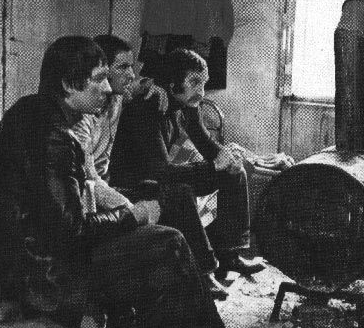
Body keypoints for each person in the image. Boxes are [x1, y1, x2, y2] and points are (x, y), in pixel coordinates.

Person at [0, 36, 276, 328]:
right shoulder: (52, 136)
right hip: (37, 272)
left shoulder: (34, 111)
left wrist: (128, 213)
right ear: (68, 84)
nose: (108, 88)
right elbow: (71, 231)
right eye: (98, 79)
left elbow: (64, 216)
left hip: (32, 257)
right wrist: (134, 215)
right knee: (169, 246)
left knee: (165, 280)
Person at [70, 35, 230, 298]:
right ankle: (199, 275)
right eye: (122, 67)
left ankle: (211, 267)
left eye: (131, 66)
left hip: (110, 186)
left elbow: (137, 85)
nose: (131, 74)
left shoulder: (118, 97)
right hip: (95, 196)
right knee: (176, 194)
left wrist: (152, 86)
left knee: (178, 191)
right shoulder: (81, 120)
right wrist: (133, 210)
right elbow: (91, 182)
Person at [110, 47, 264, 279]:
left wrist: (227, 159)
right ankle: (204, 270)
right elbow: (161, 172)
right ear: (173, 83)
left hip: (161, 175)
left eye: (204, 84)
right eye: (194, 83)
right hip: (136, 183)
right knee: (181, 191)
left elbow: (203, 140)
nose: (201, 92)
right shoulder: (148, 107)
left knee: (235, 173)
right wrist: (213, 166)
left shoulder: (186, 104)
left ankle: (229, 256)